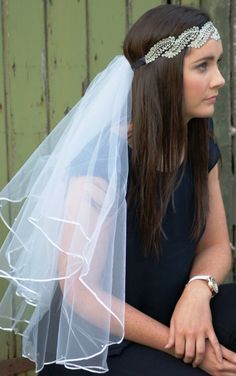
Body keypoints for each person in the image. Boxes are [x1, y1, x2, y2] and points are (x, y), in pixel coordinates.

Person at [0, 4, 235, 376]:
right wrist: (184, 348)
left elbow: (216, 245)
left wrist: (197, 292)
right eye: (203, 66)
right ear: (165, 75)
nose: (219, 79)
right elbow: (82, 291)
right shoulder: (100, 166)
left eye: (217, 64)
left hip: (171, 305)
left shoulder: (200, 147)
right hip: (100, 340)